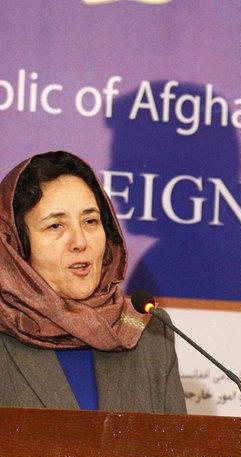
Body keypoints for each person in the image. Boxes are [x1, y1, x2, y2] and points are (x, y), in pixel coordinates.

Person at [0, 151, 186, 413]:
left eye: (90, 221)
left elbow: (175, 440)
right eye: (55, 226)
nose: (80, 242)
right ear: (16, 246)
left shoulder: (147, 330)